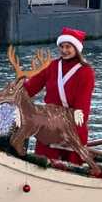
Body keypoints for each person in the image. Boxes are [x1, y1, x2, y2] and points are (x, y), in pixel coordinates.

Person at [23, 28, 96, 165]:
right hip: (49, 124)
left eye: (68, 47)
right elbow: (31, 86)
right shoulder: (52, 66)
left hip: (72, 126)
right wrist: (14, 94)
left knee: (70, 167)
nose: (64, 50)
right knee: (42, 162)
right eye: (61, 46)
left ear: (76, 48)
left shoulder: (86, 72)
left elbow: (83, 106)